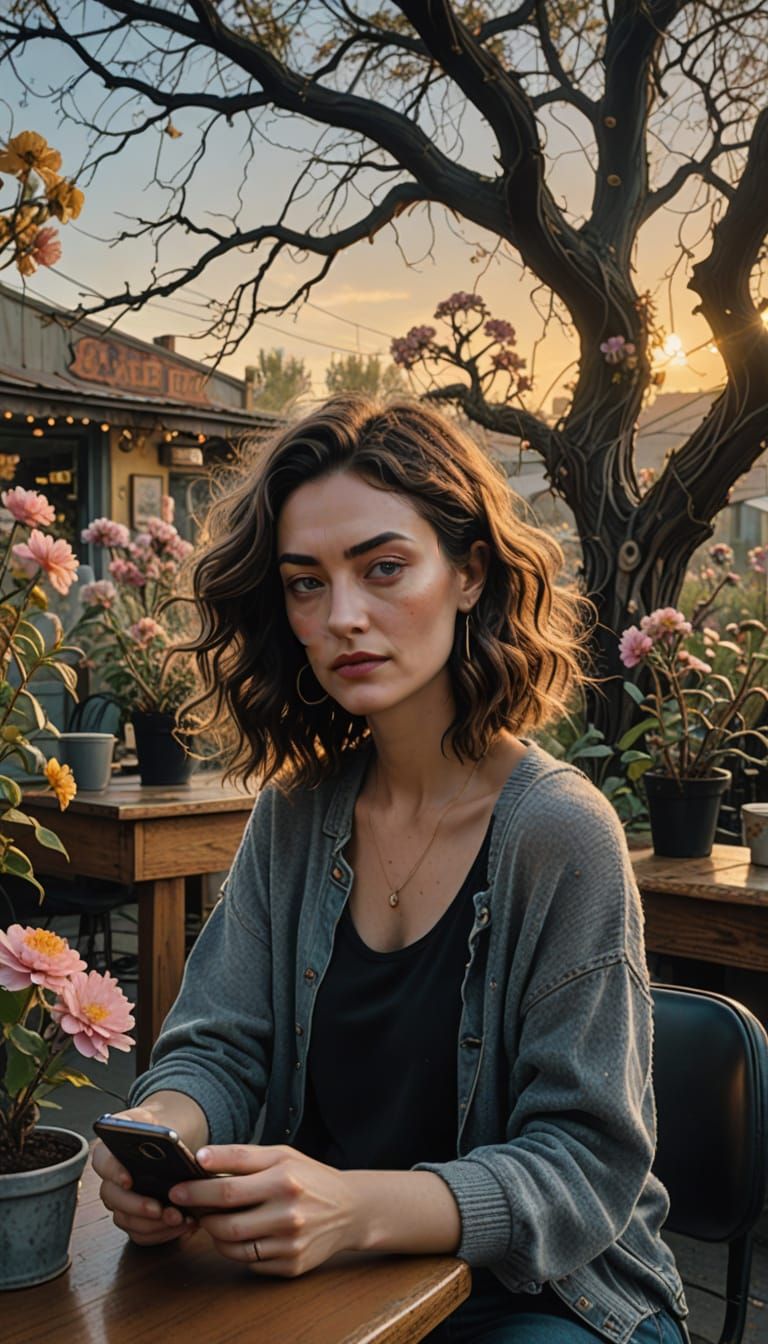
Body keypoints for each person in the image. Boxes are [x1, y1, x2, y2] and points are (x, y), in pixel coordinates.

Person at [93, 396, 689, 1343]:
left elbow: (585, 1166)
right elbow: (219, 1045)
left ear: (468, 572)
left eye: (383, 568)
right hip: (331, 1292)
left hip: (550, 1302)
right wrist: (166, 1136)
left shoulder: (561, 834)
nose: (342, 617)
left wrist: (356, 1208)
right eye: (304, 583)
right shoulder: (294, 815)